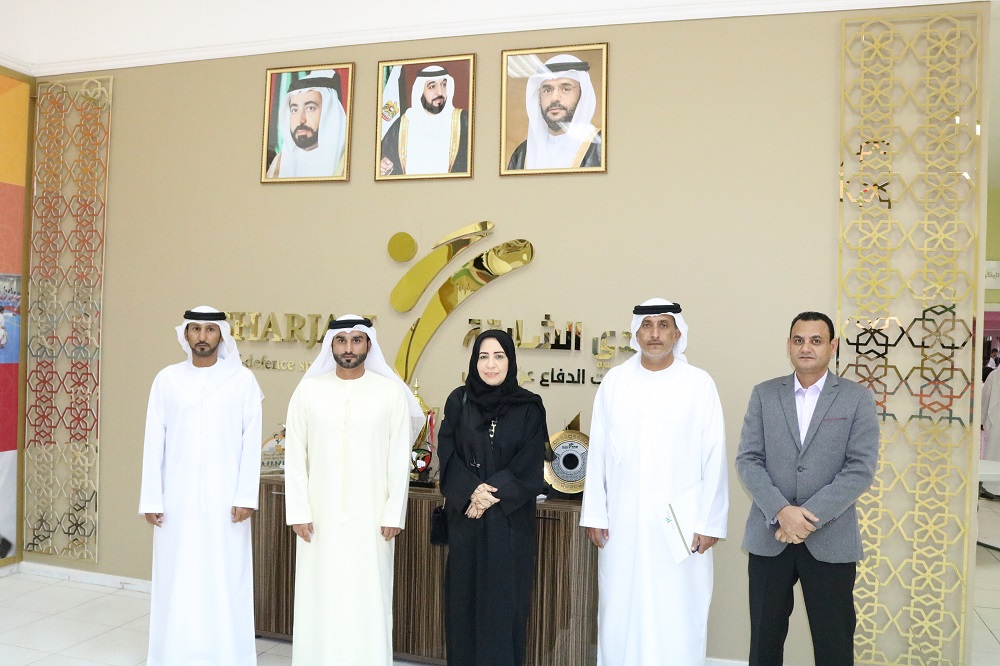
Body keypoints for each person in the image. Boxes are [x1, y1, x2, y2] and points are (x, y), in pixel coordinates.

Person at [580, 298, 728, 664]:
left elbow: (715, 455)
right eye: (647, 325)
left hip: (681, 526)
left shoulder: (699, 384)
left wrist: (709, 522)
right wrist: (595, 514)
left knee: (679, 610)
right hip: (623, 523)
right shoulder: (615, 382)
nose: (655, 333)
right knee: (620, 608)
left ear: (678, 333)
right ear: (636, 333)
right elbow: (598, 452)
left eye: (664, 325)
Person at [735, 311, 880, 666]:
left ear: (832, 346)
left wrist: (805, 518)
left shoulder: (856, 398)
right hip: (770, 537)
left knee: (834, 646)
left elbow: (860, 469)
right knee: (764, 644)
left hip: (831, 540)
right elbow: (748, 460)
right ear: (789, 345)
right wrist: (782, 512)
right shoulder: (765, 394)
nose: (806, 348)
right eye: (799, 340)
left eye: (816, 340)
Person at [284, 315, 424, 665]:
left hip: (372, 518)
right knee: (320, 596)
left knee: (368, 597)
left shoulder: (389, 393)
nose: (348, 348)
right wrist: (298, 511)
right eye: (341, 340)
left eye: (356, 340)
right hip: (318, 518)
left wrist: (394, 513)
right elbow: (296, 455)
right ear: (330, 345)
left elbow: (398, 459)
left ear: (368, 345)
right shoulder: (308, 391)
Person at [139, 306, 263, 666]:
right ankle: (172, 654)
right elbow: (153, 441)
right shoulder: (167, 379)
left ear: (221, 335)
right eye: (195, 329)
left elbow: (251, 443)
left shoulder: (243, 380)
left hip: (227, 500)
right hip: (175, 499)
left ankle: (229, 656)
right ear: (186, 334)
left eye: (210, 329)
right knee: (177, 577)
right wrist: (152, 498)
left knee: (226, 577)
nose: (203, 336)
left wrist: (246, 496)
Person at [437, 330, 548, 666]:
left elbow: (530, 461)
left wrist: (488, 494)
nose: (491, 364)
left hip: (509, 525)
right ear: (474, 362)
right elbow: (447, 452)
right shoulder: (459, 401)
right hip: (467, 521)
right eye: (483, 356)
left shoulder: (529, 406)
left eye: (499, 356)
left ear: (510, 361)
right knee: (463, 606)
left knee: (504, 608)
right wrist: (471, 491)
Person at [506, 54, 602, 170]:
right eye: (547, 90)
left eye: (566, 89)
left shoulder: (602, 146)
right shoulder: (522, 154)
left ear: (582, 95)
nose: (554, 98)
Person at [380, 65, 470, 176]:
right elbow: (383, 157)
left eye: (443, 85)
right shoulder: (404, 124)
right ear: (420, 91)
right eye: (432, 86)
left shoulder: (463, 121)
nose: (440, 92)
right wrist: (385, 167)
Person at [266, 70, 347, 178]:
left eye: (310, 108)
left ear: (330, 112)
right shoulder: (279, 163)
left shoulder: (347, 161)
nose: (301, 120)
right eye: (294, 110)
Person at [981, 364, 1000, 499]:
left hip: (994, 423)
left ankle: (990, 488)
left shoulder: (993, 375)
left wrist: (982, 421)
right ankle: (989, 487)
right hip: (995, 423)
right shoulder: (993, 376)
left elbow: (984, 400)